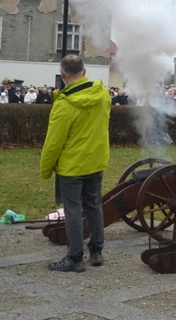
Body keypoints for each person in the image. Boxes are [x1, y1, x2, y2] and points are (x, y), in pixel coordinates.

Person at [40, 55, 111, 273]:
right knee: (93, 205)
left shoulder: (65, 104)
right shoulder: (102, 94)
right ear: (85, 72)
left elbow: (54, 142)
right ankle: (96, 251)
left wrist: (45, 168)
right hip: (96, 159)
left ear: (62, 74)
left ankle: (74, 257)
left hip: (72, 166)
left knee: (72, 210)